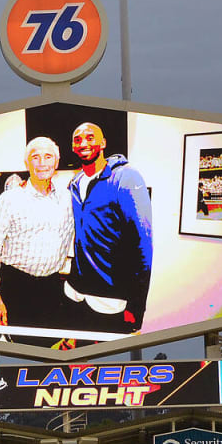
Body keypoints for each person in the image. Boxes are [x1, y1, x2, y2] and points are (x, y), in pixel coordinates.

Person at [64, 122, 153, 333]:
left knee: (107, 361)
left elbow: (143, 244)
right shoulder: (75, 182)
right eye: (77, 139)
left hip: (110, 299)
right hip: (76, 292)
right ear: (73, 147)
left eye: (90, 137)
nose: (83, 143)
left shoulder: (126, 178)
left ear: (103, 143)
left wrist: (137, 304)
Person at [0, 136, 74, 329]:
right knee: (18, 345)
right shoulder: (9, 199)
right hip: (16, 285)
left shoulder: (67, 199)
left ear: (56, 163)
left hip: (52, 286)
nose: (42, 163)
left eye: (48, 157)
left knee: (46, 345)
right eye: (35, 157)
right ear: (27, 162)